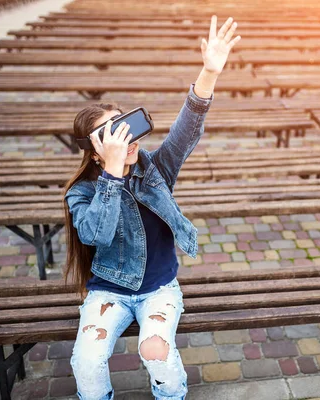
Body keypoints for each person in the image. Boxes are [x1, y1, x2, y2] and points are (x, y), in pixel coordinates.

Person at [63, 15, 240, 400]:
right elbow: (96, 234)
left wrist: (209, 72)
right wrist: (112, 172)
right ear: (93, 153)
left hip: (159, 288)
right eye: (109, 135)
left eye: (123, 125)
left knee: (155, 349)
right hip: (107, 291)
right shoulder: (81, 193)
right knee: (86, 360)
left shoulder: (156, 168)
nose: (123, 137)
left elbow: (188, 128)